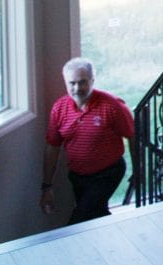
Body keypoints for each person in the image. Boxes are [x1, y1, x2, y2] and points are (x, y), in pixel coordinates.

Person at [40, 57, 134, 225]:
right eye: (72, 83)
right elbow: (52, 147)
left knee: (79, 221)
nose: (77, 88)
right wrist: (47, 186)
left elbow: (132, 136)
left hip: (108, 173)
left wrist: (139, 172)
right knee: (96, 216)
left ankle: (67, 248)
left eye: (82, 82)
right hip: (78, 177)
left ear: (92, 81)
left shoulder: (112, 106)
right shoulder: (59, 109)